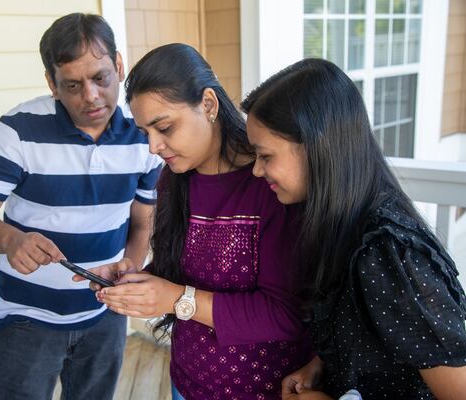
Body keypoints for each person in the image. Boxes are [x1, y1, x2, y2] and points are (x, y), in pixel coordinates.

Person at [76, 43, 313, 400]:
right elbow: (184, 273)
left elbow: (286, 313)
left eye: (165, 128)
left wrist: (176, 299)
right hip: (187, 381)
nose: (153, 146)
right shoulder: (173, 179)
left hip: (266, 388)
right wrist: (139, 279)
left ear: (209, 104)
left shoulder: (272, 183)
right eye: (146, 133)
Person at [0, 13, 162, 400]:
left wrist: (129, 271)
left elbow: (142, 223)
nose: (91, 96)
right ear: (52, 83)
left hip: (105, 314)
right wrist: (9, 239)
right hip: (26, 319)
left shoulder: (144, 132)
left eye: (101, 78)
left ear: (119, 66)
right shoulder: (18, 129)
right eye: (72, 85)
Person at [239, 58, 466, 400]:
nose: (257, 171)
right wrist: (321, 364)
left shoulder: (389, 254)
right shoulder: (342, 224)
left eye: (265, 156)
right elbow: (371, 338)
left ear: (316, 148)